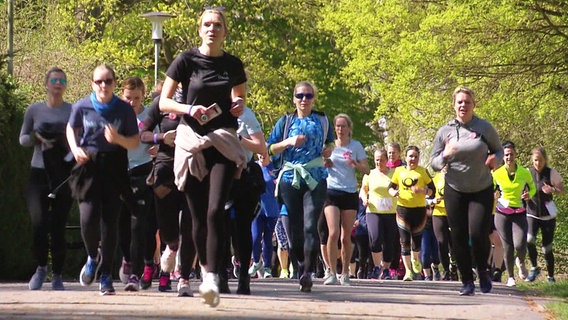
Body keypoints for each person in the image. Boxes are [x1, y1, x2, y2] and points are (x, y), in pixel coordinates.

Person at [158, 7, 247, 307]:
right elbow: (163, 102)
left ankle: (211, 277)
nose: (212, 29)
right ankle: (204, 270)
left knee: (214, 211)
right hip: (191, 141)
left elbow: (239, 98)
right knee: (196, 216)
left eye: (218, 25)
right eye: (207, 24)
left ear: (225, 31)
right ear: (200, 30)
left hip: (222, 141)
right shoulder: (185, 60)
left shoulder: (233, 64)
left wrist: (238, 105)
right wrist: (188, 109)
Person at [66, 64, 139, 295]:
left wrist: (118, 138)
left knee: (110, 222)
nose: (104, 85)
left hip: (114, 165)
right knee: (87, 220)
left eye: (108, 81)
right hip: (88, 165)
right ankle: (92, 257)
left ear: (115, 83)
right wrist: (75, 147)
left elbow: (135, 142)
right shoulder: (82, 106)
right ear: (92, 84)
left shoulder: (124, 110)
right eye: (99, 81)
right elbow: (71, 128)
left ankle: (106, 274)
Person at [430, 86, 503, 296]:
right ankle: (467, 281)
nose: (463, 105)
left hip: (481, 188)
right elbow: (433, 163)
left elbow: (498, 150)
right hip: (455, 189)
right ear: (454, 105)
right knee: (459, 236)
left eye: (467, 102)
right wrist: (445, 154)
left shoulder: (484, 128)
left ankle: (483, 270)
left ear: (474, 105)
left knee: (479, 233)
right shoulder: (444, 131)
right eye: (459, 102)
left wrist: (495, 159)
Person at [266, 80, 334, 292]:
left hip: (315, 177)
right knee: (295, 227)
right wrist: (288, 142)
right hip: (290, 178)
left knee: (310, 225)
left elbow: (330, 141)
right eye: (300, 96)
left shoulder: (322, 119)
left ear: (313, 99)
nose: (304, 100)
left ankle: (308, 272)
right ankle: (300, 266)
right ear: (294, 99)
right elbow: (269, 149)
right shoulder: (285, 121)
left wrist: (329, 150)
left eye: (308, 96)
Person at [20, 67, 73, 290]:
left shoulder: (72, 110)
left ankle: (58, 275)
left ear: (65, 85)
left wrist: (67, 150)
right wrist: (37, 138)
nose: (58, 84)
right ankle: (41, 268)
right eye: (54, 80)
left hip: (62, 174)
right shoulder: (34, 110)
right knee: (39, 224)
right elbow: (22, 138)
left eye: (62, 80)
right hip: (39, 172)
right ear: (47, 84)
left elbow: (78, 141)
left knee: (58, 226)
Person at [141, 89, 196, 296]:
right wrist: (162, 137)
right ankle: (171, 247)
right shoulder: (161, 103)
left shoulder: (200, 102)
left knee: (191, 224)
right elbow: (143, 133)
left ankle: (184, 278)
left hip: (193, 169)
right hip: (165, 171)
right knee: (167, 228)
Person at [117, 77, 157, 292]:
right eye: (128, 98)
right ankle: (126, 257)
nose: (132, 103)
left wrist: (157, 149)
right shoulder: (117, 115)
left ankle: (136, 273)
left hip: (143, 172)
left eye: (136, 98)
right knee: (121, 224)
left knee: (138, 225)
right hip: (120, 173)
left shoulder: (149, 115)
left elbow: (163, 139)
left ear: (143, 96)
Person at [222, 104, 266, 295]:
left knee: (242, 228)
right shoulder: (212, 109)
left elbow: (261, 147)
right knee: (220, 226)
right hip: (220, 173)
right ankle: (221, 274)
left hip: (244, 175)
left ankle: (243, 276)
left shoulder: (246, 114)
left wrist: (239, 138)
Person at [322, 113, 369, 286]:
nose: (340, 129)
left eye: (343, 126)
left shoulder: (356, 146)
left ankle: (345, 273)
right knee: (333, 233)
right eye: (338, 126)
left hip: (349, 192)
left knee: (345, 237)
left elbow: (367, 170)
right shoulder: (330, 146)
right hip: (331, 191)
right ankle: (332, 273)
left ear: (349, 128)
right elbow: (318, 162)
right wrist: (325, 163)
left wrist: (355, 164)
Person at [492, 141, 536, 287]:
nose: (509, 157)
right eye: (506, 155)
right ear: (502, 157)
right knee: (508, 246)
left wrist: (529, 194)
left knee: (520, 244)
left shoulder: (524, 172)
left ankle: (521, 261)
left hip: (519, 212)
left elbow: (533, 188)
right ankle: (511, 277)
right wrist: (492, 195)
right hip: (502, 213)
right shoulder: (497, 174)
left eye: (511, 154)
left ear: (515, 155)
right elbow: (489, 189)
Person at [388, 146, 435, 281]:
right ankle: (408, 271)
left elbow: (433, 190)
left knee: (416, 242)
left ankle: (415, 261)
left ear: (418, 158)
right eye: (410, 156)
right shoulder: (399, 171)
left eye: (415, 156)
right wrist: (393, 192)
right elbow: (390, 187)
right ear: (405, 157)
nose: (412, 159)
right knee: (404, 241)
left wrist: (423, 191)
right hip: (403, 209)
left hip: (419, 210)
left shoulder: (423, 172)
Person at [526, 147, 563, 283]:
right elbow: (522, 189)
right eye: (535, 160)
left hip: (548, 215)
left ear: (545, 160)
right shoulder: (528, 173)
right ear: (532, 160)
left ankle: (550, 276)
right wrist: (524, 195)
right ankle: (534, 267)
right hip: (532, 213)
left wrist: (552, 189)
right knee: (529, 240)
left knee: (546, 248)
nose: (538, 163)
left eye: (540, 160)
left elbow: (561, 190)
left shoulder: (551, 173)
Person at [360, 149, 398, 280]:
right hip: (373, 211)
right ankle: (377, 266)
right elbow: (363, 191)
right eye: (376, 160)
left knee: (389, 242)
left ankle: (386, 269)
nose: (378, 162)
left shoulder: (394, 174)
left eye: (381, 160)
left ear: (387, 160)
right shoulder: (369, 174)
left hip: (390, 212)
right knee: (375, 239)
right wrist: (364, 198)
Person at [248, 152, 280, 280]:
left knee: (268, 239)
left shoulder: (275, 168)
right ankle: (256, 262)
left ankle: (267, 268)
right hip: (256, 209)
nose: (262, 155)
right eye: (259, 153)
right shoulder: (253, 167)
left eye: (264, 153)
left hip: (271, 209)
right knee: (255, 238)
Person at [430, 167, 457, 281]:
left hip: (453, 214)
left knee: (454, 244)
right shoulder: (435, 180)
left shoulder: (457, 179)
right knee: (442, 242)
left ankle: (454, 266)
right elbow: (428, 197)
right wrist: (433, 200)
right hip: (438, 214)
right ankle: (446, 270)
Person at [386, 142, 405, 279]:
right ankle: (383, 265)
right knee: (385, 239)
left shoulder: (403, 168)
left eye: (394, 152)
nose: (391, 155)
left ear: (399, 153)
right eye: (389, 152)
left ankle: (395, 267)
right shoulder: (383, 167)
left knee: (397, 239)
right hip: (383, 208)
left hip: (400, 207)